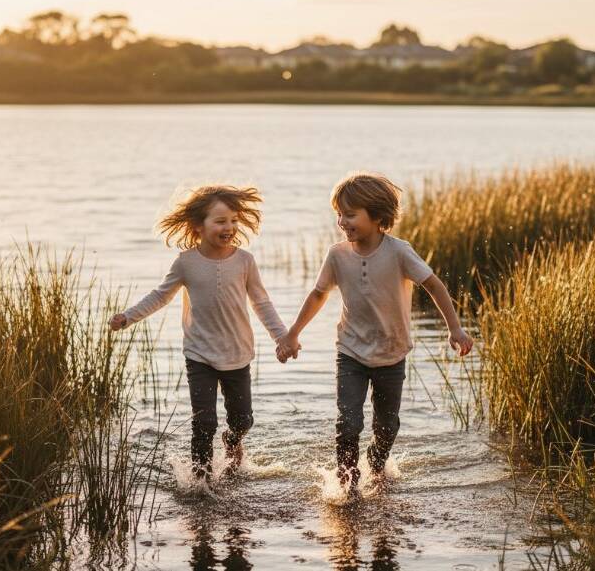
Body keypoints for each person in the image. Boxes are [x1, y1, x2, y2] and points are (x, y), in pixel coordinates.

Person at [278, 172, 473, 492]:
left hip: (391, 353)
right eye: (339, 214)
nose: (342, 221)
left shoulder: (399, 252)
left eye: (350, 214)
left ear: (378, 216)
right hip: (350, 352)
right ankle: (347, 484)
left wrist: (455, 328)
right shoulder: (336, 254)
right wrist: (292, 333)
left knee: (386, 427)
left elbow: (433, 285)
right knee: (348, 423)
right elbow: (317, 294)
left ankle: (377, 465)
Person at [110, 185, 293, 483]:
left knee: (242, 420)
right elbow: (160, 296)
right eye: (221, 221)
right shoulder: (186, 262)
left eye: (233, 220)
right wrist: (128, 316)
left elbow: (261, 302)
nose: (229, 227)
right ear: (199, 225)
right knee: (203, 422)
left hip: (238, 354)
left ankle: (233, 442)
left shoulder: (244, 261)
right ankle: (200, 481)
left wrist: (282, 337)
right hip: (200, 355)